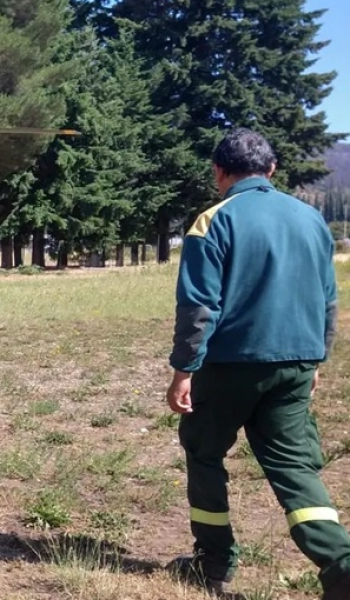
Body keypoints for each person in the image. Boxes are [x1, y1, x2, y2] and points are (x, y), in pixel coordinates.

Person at [164, 127, 350, 599]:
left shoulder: (213, 220)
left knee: (204, 454)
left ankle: (215, 561)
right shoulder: (311, 220)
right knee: (294, 467)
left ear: (218, 172)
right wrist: (316, 361)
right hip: (297, 362)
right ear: (271, 171)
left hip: (230, 365)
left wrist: (183, 371)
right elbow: (329, 302)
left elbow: (199, 306)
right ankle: (341, 564)